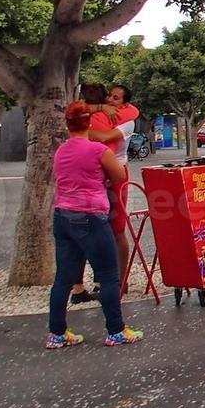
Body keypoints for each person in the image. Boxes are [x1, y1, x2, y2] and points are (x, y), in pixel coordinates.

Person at [46, 101, 143, 349]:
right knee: (108, 275)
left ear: (67, 125)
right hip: (91, 216)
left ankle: (57, 333)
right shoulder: (98, 150)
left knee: (63, 278)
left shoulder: (60, 151)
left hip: (63, 215)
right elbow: (119, 175)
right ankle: (116, 330)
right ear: (89, 123)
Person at [69, 84, 135, 303]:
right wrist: (97, 109)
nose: (110, 100)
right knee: (86, 230)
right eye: (109, 96)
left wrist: (82, 131)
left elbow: (105, 137)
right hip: (94, 176)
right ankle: (81, 286)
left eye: (116, 98)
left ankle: (119, 281)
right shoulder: (97, 112)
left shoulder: (127, 120)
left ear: (124, 103)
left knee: (116, 230)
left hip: (114, 175)